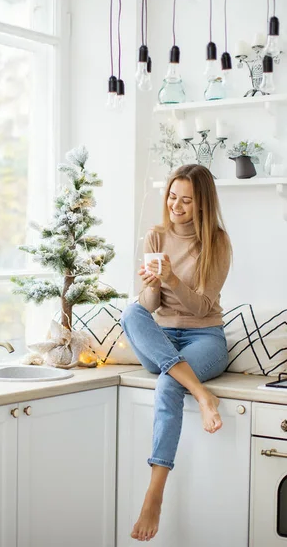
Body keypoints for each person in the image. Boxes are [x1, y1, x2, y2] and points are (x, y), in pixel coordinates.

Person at [120, 164, 232, 542]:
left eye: (186, 200)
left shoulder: (216, 242)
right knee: (132, 309)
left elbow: (201, 308)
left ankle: (154, 494)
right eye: (172, 197)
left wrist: (171, 279)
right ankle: (202, 394)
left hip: (205, 340)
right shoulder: (155, 236)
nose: (176, 206)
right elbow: (150, 307)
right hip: (162, 340)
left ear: (202, 205)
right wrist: (152, 285)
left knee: (169, 384)